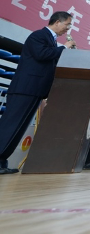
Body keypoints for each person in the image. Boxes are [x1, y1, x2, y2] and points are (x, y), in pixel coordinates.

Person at [0, 11, 76, 175]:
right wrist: (64, 47)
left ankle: (2, 161)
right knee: (10, 125)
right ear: (57, 22)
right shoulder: (39, 35)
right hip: (25, 89)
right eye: (67, 24)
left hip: (35, 90)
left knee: (18, 128)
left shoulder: (51, 40)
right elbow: (42, 55)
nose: (68, 28)